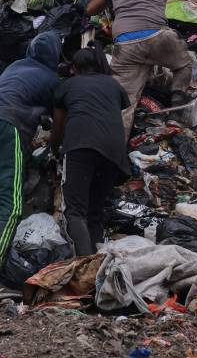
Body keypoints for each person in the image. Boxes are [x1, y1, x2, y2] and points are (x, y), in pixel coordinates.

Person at [0, 31, 62, 293]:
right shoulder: (52, 79)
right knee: (12, 206)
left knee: (0, 194)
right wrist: (54, 144)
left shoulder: (17, 67)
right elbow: (59, 118)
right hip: (7, 126)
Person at [85, 0, 197, 133]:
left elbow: (90, 9)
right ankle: (176, 115)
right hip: (157, 36)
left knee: (123, 103)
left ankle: (112, 150)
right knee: (183, 64)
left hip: (125, 44)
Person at [51, 47, 130, 256]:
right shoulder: (114, 85)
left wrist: (54, 149)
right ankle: (96, 266)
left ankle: (85, 265)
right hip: (114, 152)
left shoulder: (68, 85)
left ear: (74, 68)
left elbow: (59, 125)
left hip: (80, 146)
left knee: (75, 211)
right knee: (94, 212)